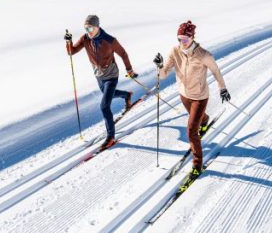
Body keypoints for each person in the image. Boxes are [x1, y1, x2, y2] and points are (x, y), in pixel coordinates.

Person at [154, 20, 230, 178]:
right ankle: (204, 120)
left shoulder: (204, 55)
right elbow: (164, 74)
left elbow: (216, 71)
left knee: (191, 131)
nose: (182, 42)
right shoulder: (175, 51)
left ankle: (197, 163)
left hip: (200, 97)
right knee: (197, 120)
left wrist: (222, 88)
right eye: (179, 39)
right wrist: (160, 66)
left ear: (192, 38)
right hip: (184, 95)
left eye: (185, 39)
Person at [65, 14, 137, 149]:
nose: (88, 32)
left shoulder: (110, 40)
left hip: (111, 74)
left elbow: (123, 54)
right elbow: (71, 52)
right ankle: (127, 95)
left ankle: (111, 137)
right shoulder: (85, 39)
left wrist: (130, 70)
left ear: (98, 27)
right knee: (107, 93)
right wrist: (68, 42)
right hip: (98, 75)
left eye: (91, 28)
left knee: (104, 106)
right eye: (86, 29)